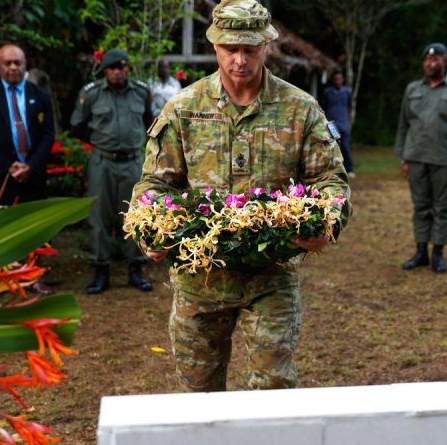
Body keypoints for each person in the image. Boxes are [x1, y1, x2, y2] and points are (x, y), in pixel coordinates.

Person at [131, 0, 351, 392]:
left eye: (250, 49)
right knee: (198, 396)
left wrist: (327, 221)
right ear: (214, 44)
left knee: (272, 392)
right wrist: (149, 226)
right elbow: (155, 184)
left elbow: (330, 179)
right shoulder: (184, 108)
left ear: (267, 46)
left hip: (271, 277)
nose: (239, 60)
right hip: (199, 279)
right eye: (230, 48)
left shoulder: (300, 109)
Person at [70, 48, 154, 295]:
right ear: (105, 70)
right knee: (99, 217)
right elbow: (77, 125)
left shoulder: (141, 92)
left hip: (132, 162)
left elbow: (150, 122)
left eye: (122, 67)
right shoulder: (92, 94)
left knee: (136, 215)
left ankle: (136, 269)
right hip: (102, 162)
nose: (118, 72)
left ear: (128, 68)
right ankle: (101, 271)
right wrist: (99, 143)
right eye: (113, 68)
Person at [394, 42, 447, 274]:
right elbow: (403, 124)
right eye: (427, 60)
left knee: (441, 208)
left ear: (445, 61)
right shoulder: (412, 90)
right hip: (417, 158)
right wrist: (404, 157)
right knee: (420, 207)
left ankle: (438, 253)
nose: (430, 63)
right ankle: (420, 252)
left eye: (436, 59)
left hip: (444, 161)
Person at [0, 44, 55, 208]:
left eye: (18, 63)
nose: (13, 67)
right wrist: (8, 166)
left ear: (25, 64)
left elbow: (48, 134)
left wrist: (31, 166)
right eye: (7, 63)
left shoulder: (40, 95)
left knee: (34, 225)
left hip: (33, 177)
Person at [321, 70, 355, 177]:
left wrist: (349, 121)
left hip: (344, 123)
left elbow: (350, 107)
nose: (338, 81)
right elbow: (323, 108)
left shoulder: (347, 92)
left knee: (344, 146)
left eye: (339, 79)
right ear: (333, 80)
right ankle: (333, 169)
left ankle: (349, 169)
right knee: (332, 146)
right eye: (336, 79)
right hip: (332, 125)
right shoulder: (327, 92)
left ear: (343, 80)